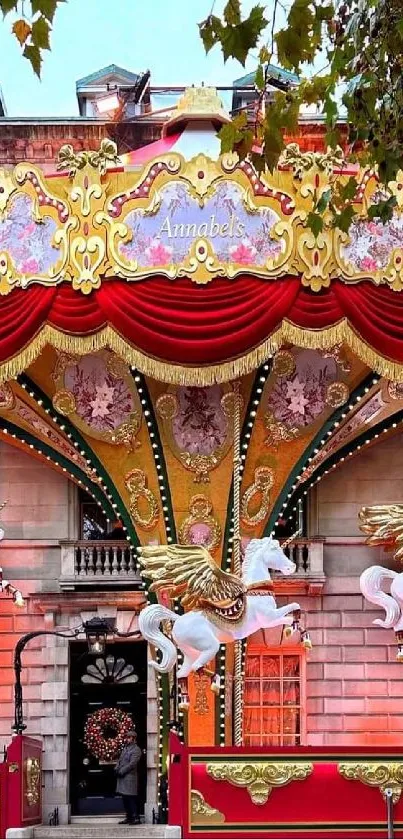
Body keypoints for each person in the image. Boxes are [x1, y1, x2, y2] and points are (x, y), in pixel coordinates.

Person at [115, 730, 142, 825]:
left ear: (133, 739)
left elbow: (132, 764)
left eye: (129, 738)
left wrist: (122, 771)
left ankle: (136, 817)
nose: (127, 739)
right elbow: (120, 760)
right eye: (127, 737)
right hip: (122, 778)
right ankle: (129, 817)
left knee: (131, 798)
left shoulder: (136, 750)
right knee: (124, 798)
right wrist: (117, 767)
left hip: (130, 777)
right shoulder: (125, 748)